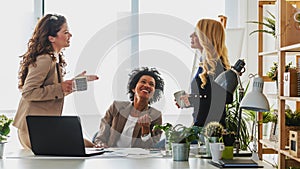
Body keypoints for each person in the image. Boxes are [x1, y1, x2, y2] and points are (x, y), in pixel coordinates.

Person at [13, 14, 99, 149]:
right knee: (89, 147)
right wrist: (61, 87)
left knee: (90, 146)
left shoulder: (53, 59)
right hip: (33, 131)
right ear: (51, 38)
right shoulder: (45, 59)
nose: (70, 35)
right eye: (65, 32)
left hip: (40, 129)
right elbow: (28, 92)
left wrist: (76, 83)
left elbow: (54, 91)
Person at [177, 18, 232, 127]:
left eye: (196, 34)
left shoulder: (215, 66)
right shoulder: (205, 64)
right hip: (203, 126)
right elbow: (208, 95)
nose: (191, 35)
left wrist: (194, 98)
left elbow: (223, 98)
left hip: (207, 130)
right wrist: (191, 100)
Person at [94, 67, 164, 149]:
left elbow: (151, 149)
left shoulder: (156, 115)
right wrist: (101, 144)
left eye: (151, 84)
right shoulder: (116, 107)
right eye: (143, 82)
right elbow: (101, 137)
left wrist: (146, 130)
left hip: (137, 159)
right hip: (111, 156)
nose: (147, 85)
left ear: (153, 93)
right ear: (133, 88)